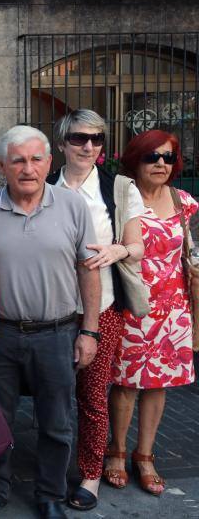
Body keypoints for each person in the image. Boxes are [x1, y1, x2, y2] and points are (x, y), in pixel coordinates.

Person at [0, 126, 100, 519]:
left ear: (49, 162)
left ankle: (50, 494)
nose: (28, 168)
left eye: (36, 159)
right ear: (1, 166)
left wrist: (89, 331)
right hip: (2, 334)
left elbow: (88, 271)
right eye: (18, 160)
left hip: (59, 333)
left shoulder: (73, 206)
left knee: (57, 423)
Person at [45, 109, 146, 511]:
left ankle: (89, 473)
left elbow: (137, 246)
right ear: (62, 143)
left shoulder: (118, 187)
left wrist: (116, 250)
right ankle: (49, 471)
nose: (88, 146)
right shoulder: (44, 184)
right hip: (50, 311)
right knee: (50, 397)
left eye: (97, 139)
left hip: (102, 308)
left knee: (91, 397)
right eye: (79, 138)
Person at [107, 129, 197, 496]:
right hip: (133, 303)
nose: (161, 163)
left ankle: (145, 456)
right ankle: (117, 451)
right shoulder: (119, 197)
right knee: (126, 383)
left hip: (174, 308)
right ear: (135, 160)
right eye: (152, 156)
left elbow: (186, 249)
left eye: (168, 157)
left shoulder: (183, 202)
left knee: (159, 385)